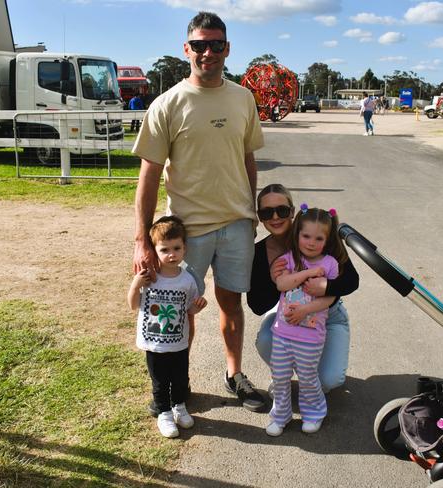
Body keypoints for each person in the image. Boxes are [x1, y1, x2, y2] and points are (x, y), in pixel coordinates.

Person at [131, 11, 267, 413]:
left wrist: (252, 211)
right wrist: (142, 240)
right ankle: (178, 384)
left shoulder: (243, 97)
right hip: (187, 232)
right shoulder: (167, 104)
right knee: (177, 309)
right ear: (186, 49)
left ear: (227, 49)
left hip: (236, 225)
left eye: (217, 45)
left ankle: (234, 374)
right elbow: (148, 176)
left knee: (230, 305)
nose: (208, 52)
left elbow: (248, 159)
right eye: (200, 45)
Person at [248, 184, 359, 394]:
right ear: (260, 217)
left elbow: (352, 280)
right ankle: (283, 375)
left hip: (328, 317)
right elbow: (256, 305)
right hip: (286, 316)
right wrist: (276, 281)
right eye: (266, 212)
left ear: (292, 211)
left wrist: (326, 286)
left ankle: (310, 372)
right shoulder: (259, 253)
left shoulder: (315, 234)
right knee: (264, 340)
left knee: (329, 381)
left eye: (281, 210)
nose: (275, 217)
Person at [266, 205, 344, 436]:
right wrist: (308, 273)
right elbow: (282, 284)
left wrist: (305, 310)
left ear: (327, 239)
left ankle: (314, 413)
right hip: (282, 333)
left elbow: (329, 298)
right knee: (279, 377)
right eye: (306, 236)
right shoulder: (289, 259)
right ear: (297, 233)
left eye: (318, 238)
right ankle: (280, 415)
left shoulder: (330, 264)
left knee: (308, 378)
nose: (311, 242)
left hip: (310, 336)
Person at [128, 216, 208, 438]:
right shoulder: (149, 278)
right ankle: (163, 413)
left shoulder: (187, 280)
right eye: (164, 249)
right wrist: (136, 284)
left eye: (177, 248)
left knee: (180, 378)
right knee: (160, 382)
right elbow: (133, 304)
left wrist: (198, 306)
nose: (171, 254)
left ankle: (179, 407)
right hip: (154, 345)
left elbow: (189, 310)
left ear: (185, 249)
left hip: (179, 343)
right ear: (154, 250)